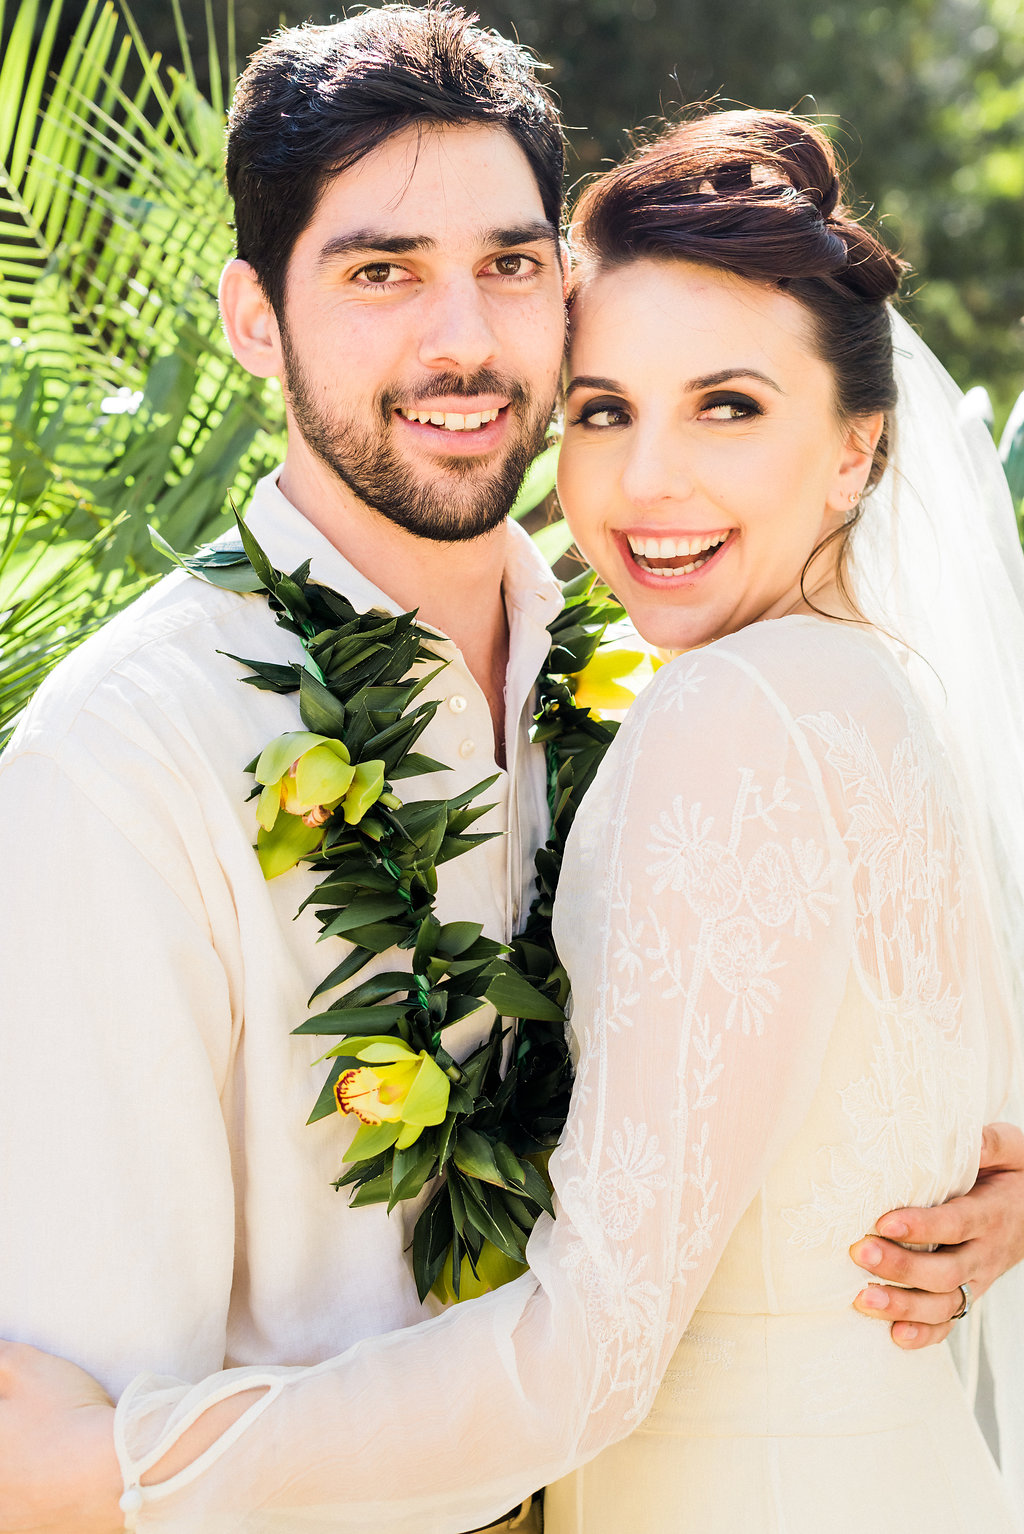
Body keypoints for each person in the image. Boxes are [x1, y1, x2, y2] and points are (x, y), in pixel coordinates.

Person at [0, 16, 1022, 1531]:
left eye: (507, 261)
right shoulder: (126, 760)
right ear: (253, 318)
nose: (461, 338)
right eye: (378, 270)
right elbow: (71, 1418)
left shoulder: (647, 672)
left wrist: (951, 1164)